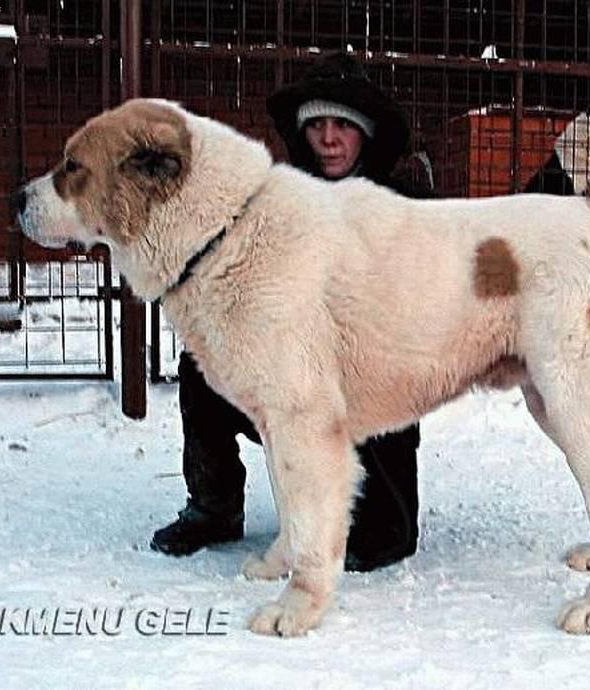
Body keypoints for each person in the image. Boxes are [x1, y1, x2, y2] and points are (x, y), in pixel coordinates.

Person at [150, 52, 428, 572]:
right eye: (317, 125)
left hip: (373, 381)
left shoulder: (404, 203)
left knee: (383, 540)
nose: (328, 138)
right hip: (287, 375)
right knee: (200, 368)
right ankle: (215, 507)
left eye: (342, 125)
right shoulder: (274, 201)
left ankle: (375, 509)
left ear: (363, 133)